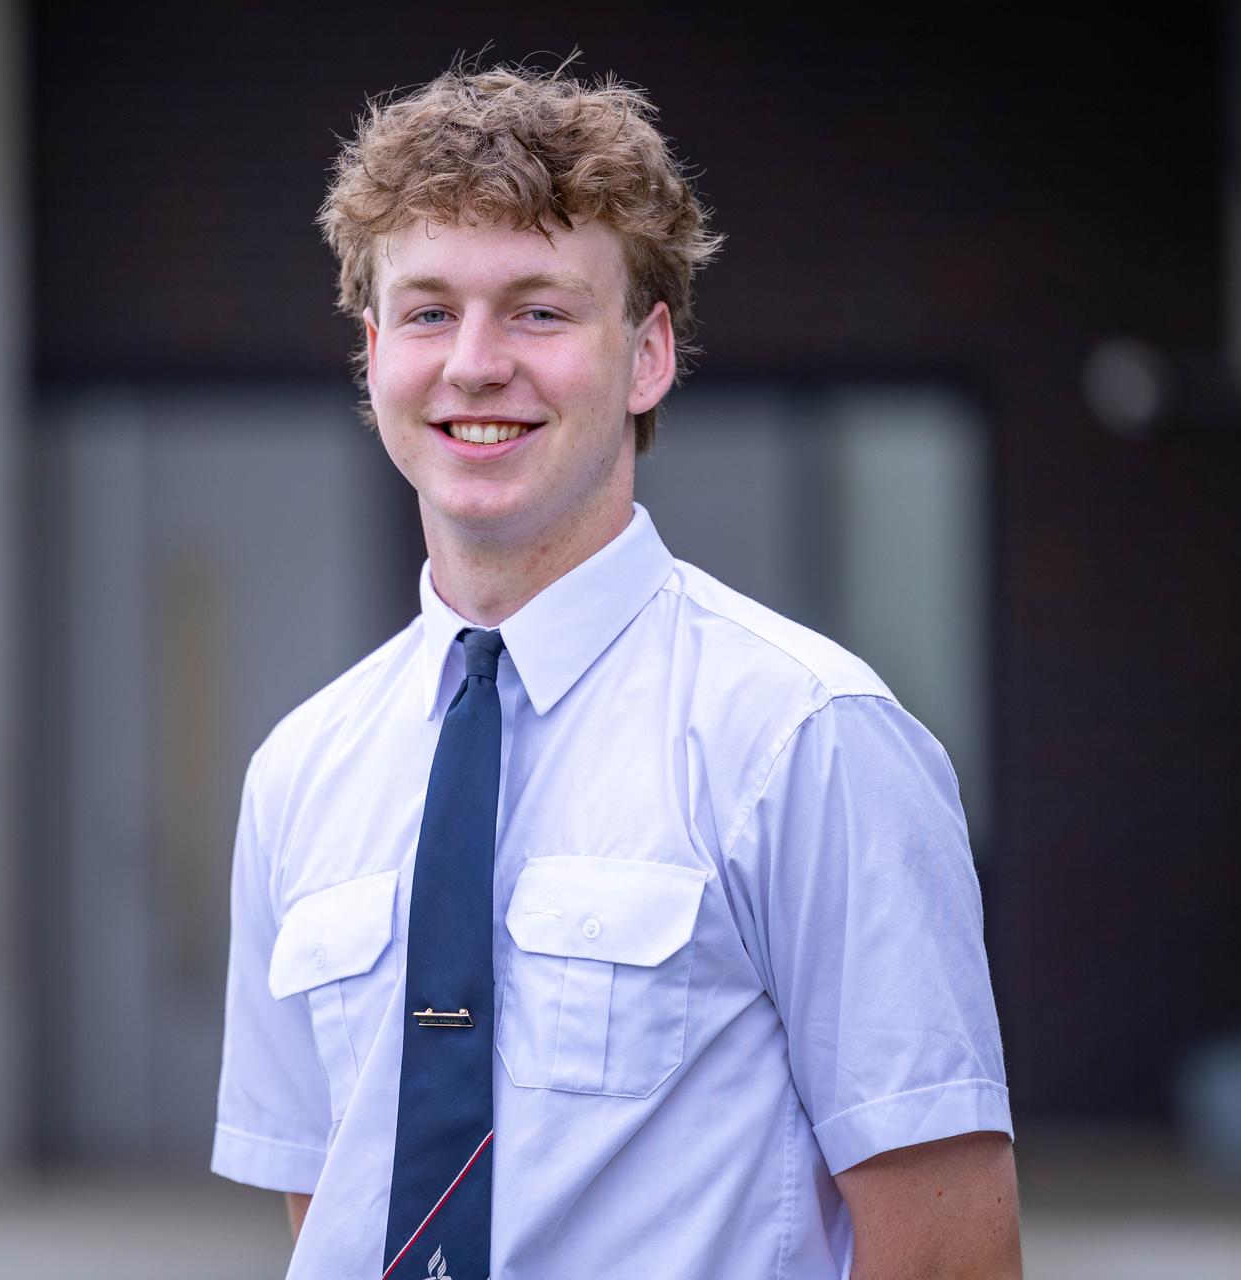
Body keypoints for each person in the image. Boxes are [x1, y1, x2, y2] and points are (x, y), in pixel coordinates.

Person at [212, 60, 1021, 1279]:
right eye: (428, 313)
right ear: (372, 355)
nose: (474, 363)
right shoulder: (298, 771)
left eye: (538, 311)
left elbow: (950, 1248)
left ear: (647, 355)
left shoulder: (807, 737)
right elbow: (333, 1201)